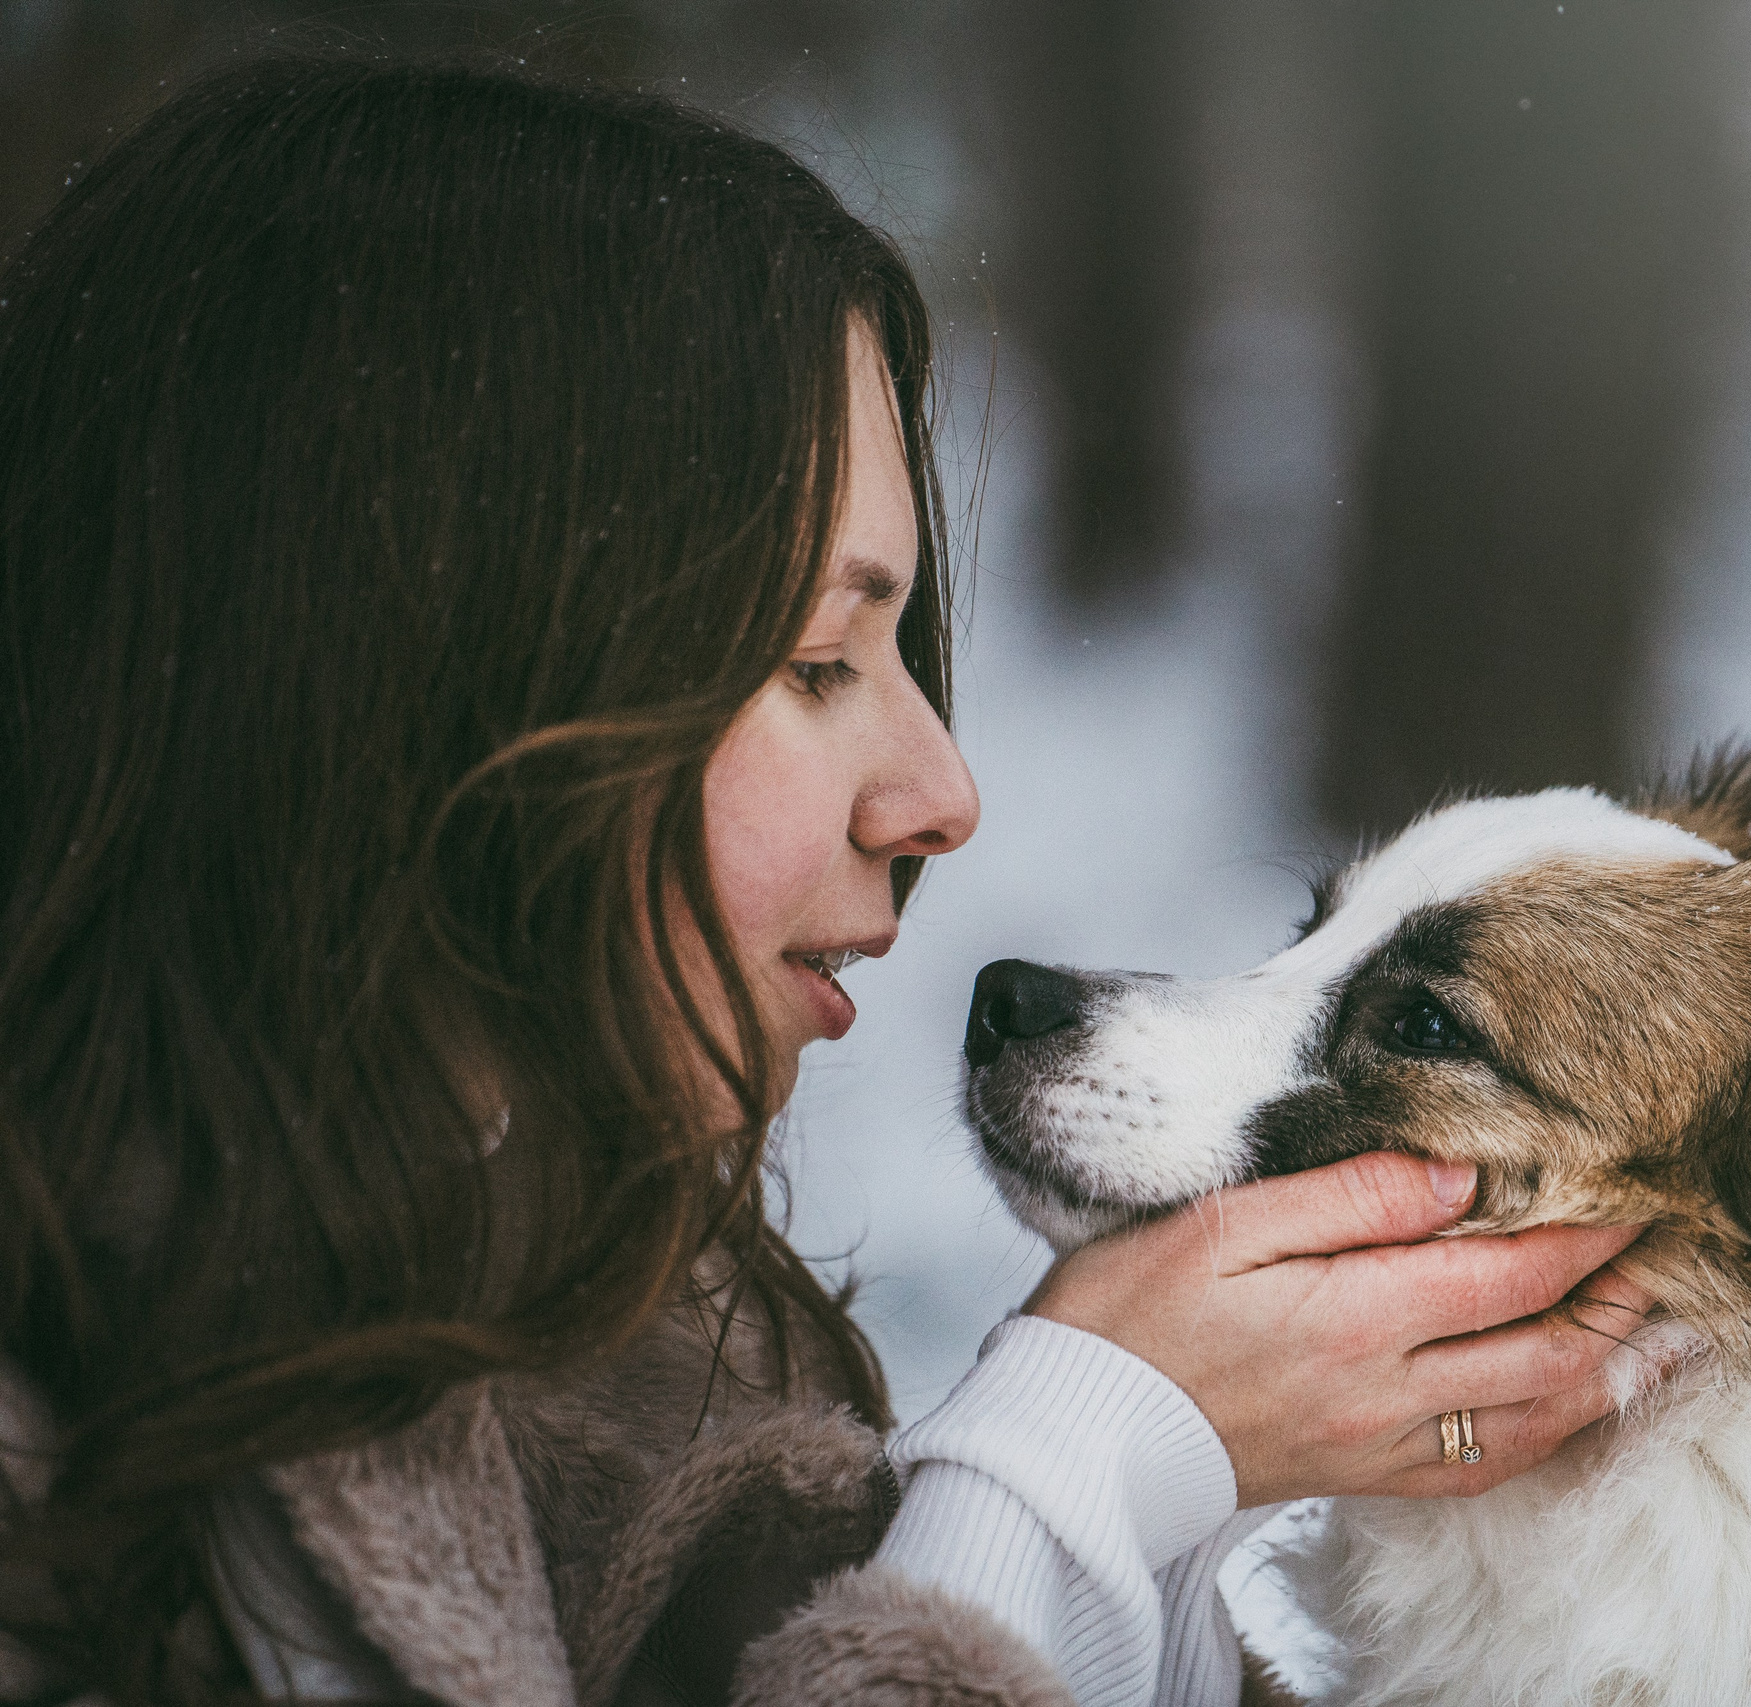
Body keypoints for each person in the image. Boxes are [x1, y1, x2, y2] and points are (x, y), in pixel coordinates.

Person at [0, 54, 1648, 1706]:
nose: (940, 795)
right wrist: (1060, 1464)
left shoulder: (667, 1444)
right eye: (811, 660)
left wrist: (1153, 1490)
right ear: (393, 673)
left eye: (904, 648)